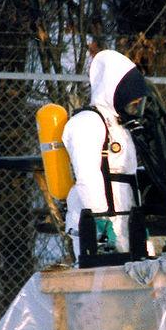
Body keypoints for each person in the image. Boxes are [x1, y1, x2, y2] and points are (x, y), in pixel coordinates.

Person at [63, 49, 148, 258]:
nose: (134, 109)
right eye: (131, 102)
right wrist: (100, 217)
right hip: (101, 222)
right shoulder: (88, 122)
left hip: (122, 215)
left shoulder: (119, 126)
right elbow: (88, 175)